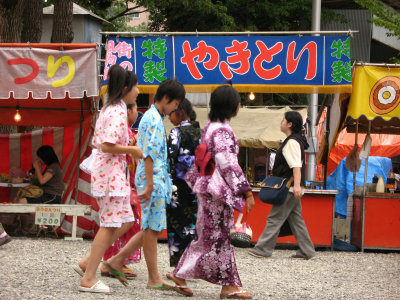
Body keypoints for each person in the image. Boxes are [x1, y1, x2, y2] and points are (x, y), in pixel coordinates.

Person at [168, 85, 255, 299]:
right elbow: (228, 164)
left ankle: (181, 274)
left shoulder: (210, 127)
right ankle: (228, 285)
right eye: (238, 102)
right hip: (216, 192)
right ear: (233, 107)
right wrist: (246, 190)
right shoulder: (222, 131)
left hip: (207, 189)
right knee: (220, 237)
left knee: (207, 236)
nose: (240, 105)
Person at [101, 78, 186, 295]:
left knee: (150, 228)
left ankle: (115, 261)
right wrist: (149, 184)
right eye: (175, 104)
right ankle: (153, 277)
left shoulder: (150, 116)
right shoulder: (155, 120)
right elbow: (150, 154)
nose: (176, 109)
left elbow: (146, 151)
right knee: (153, 229)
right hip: (153, 179)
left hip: (151, 178)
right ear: (166, 99)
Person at [76, 65, 144, 294]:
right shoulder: (116, 110)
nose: (138, 90)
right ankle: (89, 277)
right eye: (135, 86)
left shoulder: (113, 107)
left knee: (125, 220)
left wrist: (128, 148)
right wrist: (131, 151)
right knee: (109, 225)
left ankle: (88, 263)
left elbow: (108, 143)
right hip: (111, 177)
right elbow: (106, 144)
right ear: (126, 88)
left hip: (113, 175)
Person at [248, 111, 316, 260]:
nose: (281, 122)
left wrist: (296, 185)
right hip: (292, 186)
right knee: (296, 220)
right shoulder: (296, 140)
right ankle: (307, 251)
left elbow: (296, 166)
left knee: (275, 218)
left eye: (283, 120)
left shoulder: (291, 142)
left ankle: (263, 249)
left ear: (290, 124)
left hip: (289, 187)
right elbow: (297, 165)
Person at [101, 102, 141, 279]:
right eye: (134, 109)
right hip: (119, 182)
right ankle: (111, 260)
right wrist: (132, 145)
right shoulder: (123, 132)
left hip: (125, 183)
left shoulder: (129, 133)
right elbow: (109, 148)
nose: (136, 113)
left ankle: (115, 260)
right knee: (119, 223)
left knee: (125, 222)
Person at [166, 99, 201, 267]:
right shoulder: (200, 132)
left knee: (177, 225)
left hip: (179, 186)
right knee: (193, 226)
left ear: (180, 112)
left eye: (172, 112)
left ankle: (178, 266)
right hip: (197, 186)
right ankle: (191, 265)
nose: (169, 116)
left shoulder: (177, 132)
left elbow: (169, 158)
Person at [16, 145, 64, 233]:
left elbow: (42, 181)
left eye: (40, 157)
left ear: (45, 157)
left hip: (52, 197)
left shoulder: (54, 166)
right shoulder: (50, 166)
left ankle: (28, 226)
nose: (39, 159)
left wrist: (37, 167)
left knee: (22, 202)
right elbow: (40, 181)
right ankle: (24, 225)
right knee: (18, 199)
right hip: (45, 195)